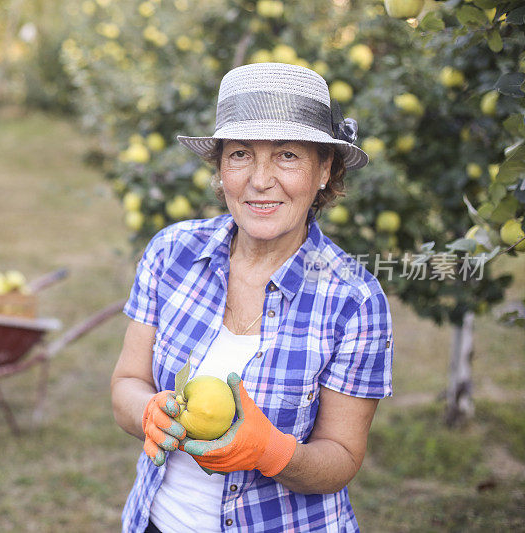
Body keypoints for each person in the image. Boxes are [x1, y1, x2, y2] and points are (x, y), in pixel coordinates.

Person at [110, 62, 393, 533]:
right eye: (241, 154)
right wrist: (149, 412)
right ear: (220, 169)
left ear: (324, 169)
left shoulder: (354, 300)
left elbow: (341, 458)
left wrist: (271, 451)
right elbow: (126, 382)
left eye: (286, 155)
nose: (260, 180)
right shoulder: (172, 252)